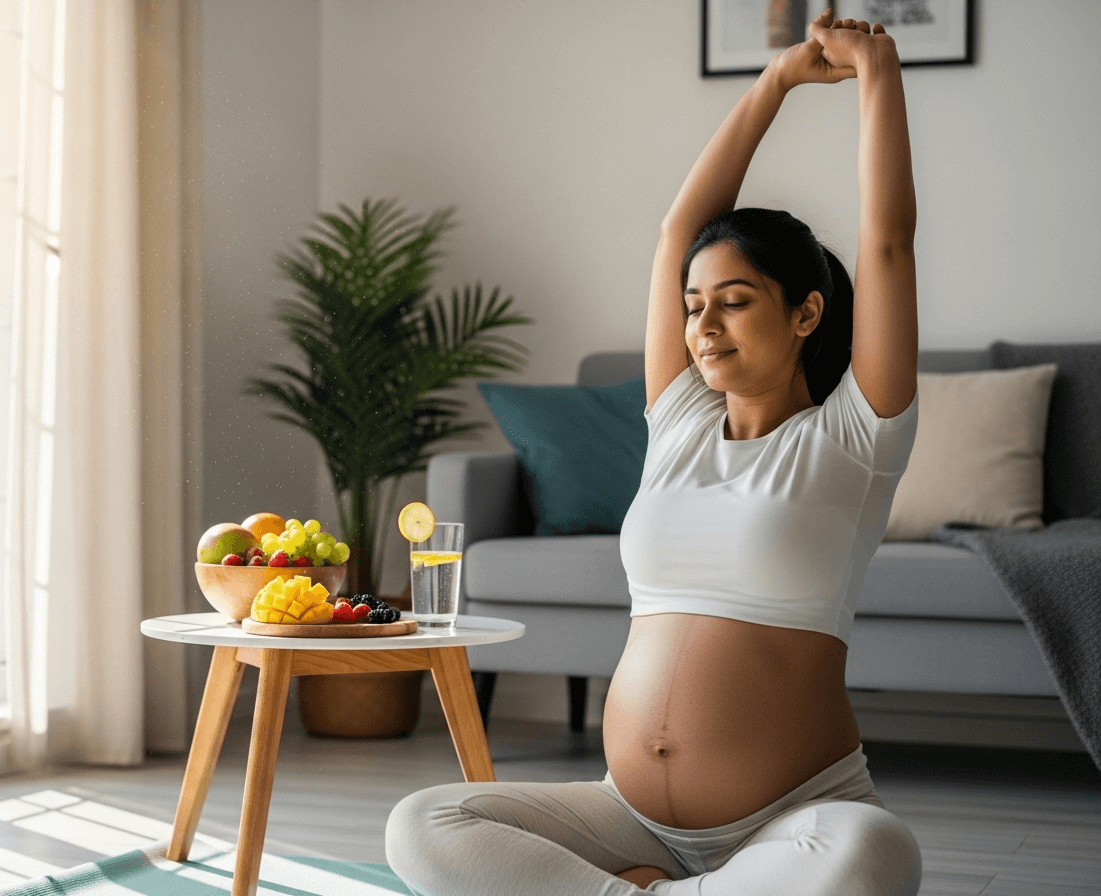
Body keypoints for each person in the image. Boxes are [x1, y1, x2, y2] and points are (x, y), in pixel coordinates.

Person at [385, 9, 923, 895]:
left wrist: (877, 72)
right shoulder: (677, 423)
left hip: (792, 818)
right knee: (425, 823)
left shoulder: (854, 438)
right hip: (627, 812)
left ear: (808, 313)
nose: (702, 326)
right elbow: (678, 231)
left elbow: (889, 244)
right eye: (692, 307)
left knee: (873, 857)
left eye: (735, 301)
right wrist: (774, 81)